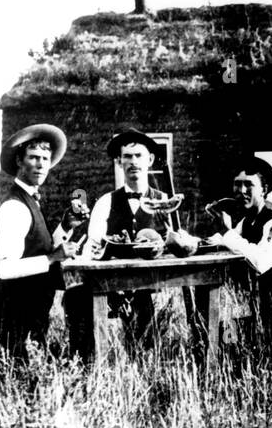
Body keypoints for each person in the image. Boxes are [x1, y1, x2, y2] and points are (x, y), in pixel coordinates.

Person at [70, 127, 191, 354]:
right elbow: (92, 247)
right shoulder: (106, 202)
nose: (133, 162)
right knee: (78, 301)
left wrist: (171, 238)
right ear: (119, 161)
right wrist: (99, 248)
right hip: (114, 285)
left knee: (148, 347)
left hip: (153, 286)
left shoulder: (165, 200)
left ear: (150, 160)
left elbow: (176, 245)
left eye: (139, 156)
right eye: (127, 156)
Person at [0, 123, 77, 362]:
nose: (40, 164)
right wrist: (52, 258)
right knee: (20, 378)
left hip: (32, 308)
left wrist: (66, 226)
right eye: (33, 157)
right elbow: (5, 268)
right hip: (15, 310)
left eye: (45, 159)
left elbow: (38, 247)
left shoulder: (30, 200)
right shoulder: (14, 206)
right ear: (19, 161)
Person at [205, 156, 272, 345]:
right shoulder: (247, 221)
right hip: (258, 307)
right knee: (228, 338)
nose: (241, 191)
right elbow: (224, 242)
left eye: (249, 185)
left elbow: (261, 262)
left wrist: (226, 232)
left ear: (264, 190)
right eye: (237, 184)